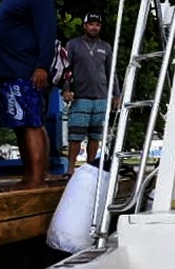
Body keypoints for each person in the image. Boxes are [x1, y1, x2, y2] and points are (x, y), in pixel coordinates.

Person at [0, 0, 56, 191]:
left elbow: (47, 30)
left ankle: (37, 179)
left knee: (30, 123)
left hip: (23, 69)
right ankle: (30, 175)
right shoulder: (6, 2)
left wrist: (42, 66)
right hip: (8, 70)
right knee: (20, 125)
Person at [63, 13, 120, 175]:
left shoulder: (106, 47)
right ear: (84, 25)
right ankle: (70, 169)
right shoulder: (73, 44)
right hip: (80, 97)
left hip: (101, 97)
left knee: (95, 136)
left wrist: (117, 94)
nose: (94, 27)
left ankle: (90, 169)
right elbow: (66, 70)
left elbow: (111, 72)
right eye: (91, 24)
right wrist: (66, 90)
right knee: (75, 137)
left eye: (97, 24)